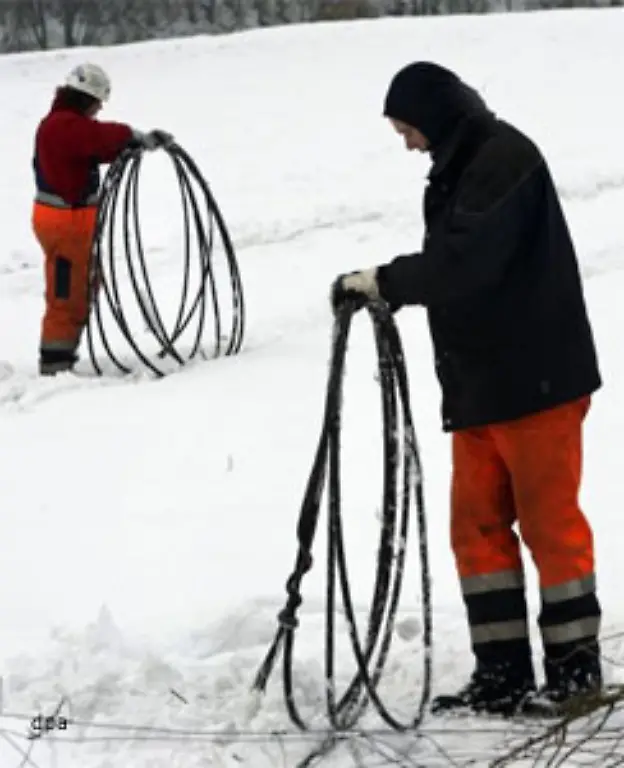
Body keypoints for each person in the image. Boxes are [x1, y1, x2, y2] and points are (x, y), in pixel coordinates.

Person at [331, 62, 603, 717]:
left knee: (549, 527)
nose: (408, 144)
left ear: (437, 114)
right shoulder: (461, 163)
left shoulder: (503, 159)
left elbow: (465, 264)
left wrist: (386, 282)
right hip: (483, 385)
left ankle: (575, 677)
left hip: (537, 381)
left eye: (409, 129)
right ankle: (503, 674)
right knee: (476, 530)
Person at [32, 62, 173, 375]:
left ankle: (61, 357)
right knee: (67, 294)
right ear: (86, 98)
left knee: (82, 285)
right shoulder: (63, 125)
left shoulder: (65, 126)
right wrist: (133, 136)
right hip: (64, 220)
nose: (98, 110)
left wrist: (137, 143)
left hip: (69, 219)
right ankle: (55, 364)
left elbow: (94, 147)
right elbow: (98, 137)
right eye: (97, 103)